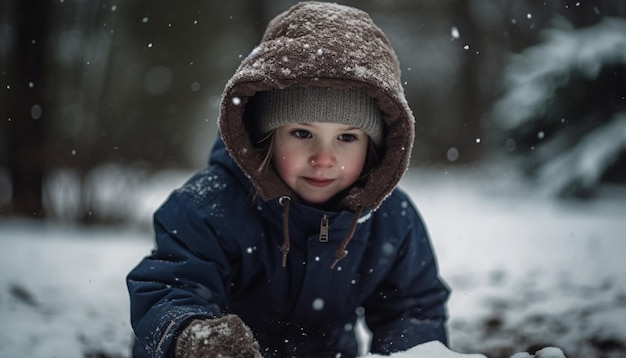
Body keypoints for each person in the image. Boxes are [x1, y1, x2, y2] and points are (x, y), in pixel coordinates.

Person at [127, 2, 450, 357]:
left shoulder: (390, 220)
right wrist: (195, 335)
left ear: (376, 148)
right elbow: (171, 288)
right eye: (301, 133)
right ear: (266, 136)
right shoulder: (210, 207)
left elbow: (412, 310)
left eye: (347, 138)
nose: (323, 158)